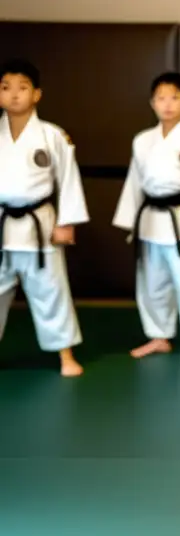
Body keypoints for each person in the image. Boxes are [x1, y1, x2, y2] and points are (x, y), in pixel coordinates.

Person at [112, 72, 180, 365]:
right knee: (152, 282)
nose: (167, 104)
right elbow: (135, 182)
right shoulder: (142, 141)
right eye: (161, 98)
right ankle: (159, 336)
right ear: (152, 103)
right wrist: (129, 222)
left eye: (174, 97)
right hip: (150, 219)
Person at [0, 58, 89, 377]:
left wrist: (66, 222)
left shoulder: (53, 136)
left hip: (40, 226)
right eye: (5, 87)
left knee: (51, 291)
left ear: (37, 94)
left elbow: (68, 179)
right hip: (2, 226)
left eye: (22, 88)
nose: (13, 95)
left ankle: (65, 355)